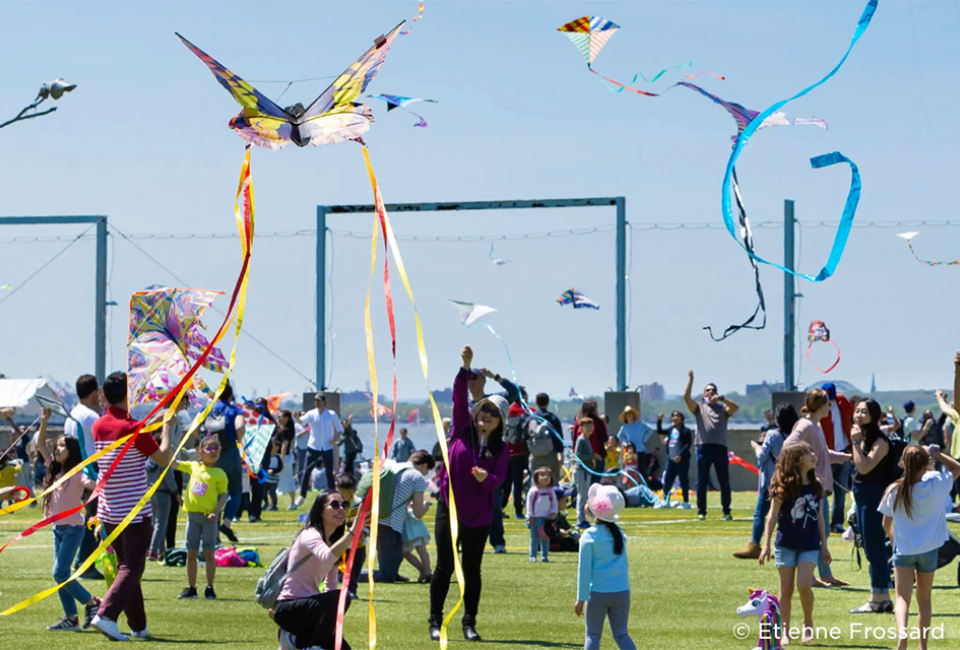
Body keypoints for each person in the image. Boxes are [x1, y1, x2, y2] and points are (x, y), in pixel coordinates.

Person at [429, 346, 509, 642]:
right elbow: (458, 396)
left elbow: (499, 480)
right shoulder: (462, 429)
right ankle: (435, 620)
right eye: (484, 409)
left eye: (494, 413)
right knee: (444, 566)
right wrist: (466, 366)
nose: (487, 414)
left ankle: (469, 622)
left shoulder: (501, 448)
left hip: (479, 516)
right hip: (448, 508)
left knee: (471, 570)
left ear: (501, 421)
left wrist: (487, 478)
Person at [89, 372, 173, 642]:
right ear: (129, 394)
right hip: (134, 512)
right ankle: (106, 615)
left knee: (127, 566)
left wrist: (159, 419)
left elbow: (129, 430)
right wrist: (168, 429)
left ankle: (138, 626)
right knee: (133, 567)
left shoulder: (99, 425)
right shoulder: (133, 428)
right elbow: (162, 458)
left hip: (109, 511)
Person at [879, 445, 960, 650]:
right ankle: (922, 645)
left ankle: (902, 638)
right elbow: (957, 467)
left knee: (901, 598)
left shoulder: (894, 489)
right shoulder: (936, 484)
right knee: (924, 598)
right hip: (929, 550)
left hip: (904, 550)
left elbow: (886, 523)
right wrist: (937, 453)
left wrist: (893, 540)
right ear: (925, 466)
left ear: (903, 465)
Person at [759, 442, 831, 646]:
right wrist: (765, 545)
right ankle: (784, 631)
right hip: (785, 545)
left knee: (804, 585)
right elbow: (771, 516)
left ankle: (807, 623)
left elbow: (820, 519)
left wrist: (824, 545)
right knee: (786, 589)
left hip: (809, 545)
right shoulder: (784, 484)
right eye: (808, 453)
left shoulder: (817, 485)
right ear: (797, 460)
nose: (813, 455)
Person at [36, 408, 101, 632]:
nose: (57, 448)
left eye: (63, 446)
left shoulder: (77, 471)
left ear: (72, 450)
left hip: (74, 529)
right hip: (58, 529)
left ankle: (92, 603)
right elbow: (41, 445)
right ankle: (71, 619)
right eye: (58, 446)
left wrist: (99, 483)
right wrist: (44, 420)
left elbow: (90, 484)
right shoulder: (54, 470)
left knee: (59, 573)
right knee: (61, 574)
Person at [274, 491, 360, 650]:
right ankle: (314, 646)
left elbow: (331, 585)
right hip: (289, 607)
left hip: (310, 611)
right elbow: (327, 557)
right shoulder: (310, 534)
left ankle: (294, 640)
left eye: (344, 505)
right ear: (320, 510)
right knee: (342, 596)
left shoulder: (332, 541)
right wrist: (353, 531)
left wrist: (330, 623)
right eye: (334, 504)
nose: (341, 509)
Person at [784, 389, 851, 588]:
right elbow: (788, 448)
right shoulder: (806, 425)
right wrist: (802, 472)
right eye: (828, 404)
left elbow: (823, 454)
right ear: (821, 405)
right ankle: (811, 577)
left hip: (818, 488)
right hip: (809, 488)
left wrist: (848, 458)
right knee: (814, 533)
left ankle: (825, 575)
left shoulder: (816, 426)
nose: (830, 408)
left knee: (821, 533)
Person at [575, 484, 636, 650]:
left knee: (592, 636)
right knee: (622, 635)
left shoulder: (588, 536)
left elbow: (584, 570)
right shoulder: (620, 534)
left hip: (598, 593)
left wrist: (581, 598)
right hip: (622, 591)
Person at [849, 398, 894, 613]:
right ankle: (882, 598)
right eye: (856, 411)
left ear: (875, 416)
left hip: (873, 496)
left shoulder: (880, 441)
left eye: (863, 411)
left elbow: (865, 467)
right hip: (862, 496)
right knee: (869, 546)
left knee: (874, 547)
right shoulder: (865, 438)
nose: (858, 415)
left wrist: (855, 443)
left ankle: (878, 598)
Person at [734, 403, 795, 560]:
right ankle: (783, 546)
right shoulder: (796, 435)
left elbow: (762, 456)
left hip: (770, 480)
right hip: (790, 480)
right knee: (784, 514)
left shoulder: (772, 434)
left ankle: (755, 545)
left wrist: (756, 447)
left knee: (761, 513)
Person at [364, 449, 434, 583]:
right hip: (391, 524)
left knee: (393, 561)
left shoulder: (393, 467)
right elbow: (418, 513)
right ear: (424, 466)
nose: (425, 474)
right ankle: (346, 574)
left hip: (375, 519)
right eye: (426, 471)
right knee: (386, 576)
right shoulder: (416, 476)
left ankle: (394, 573)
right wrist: (425, 508)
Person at [176, 435, 229, 600]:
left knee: (208, 553)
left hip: (210, 519)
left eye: (216, 449)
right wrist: (170, 442)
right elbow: (173, 463)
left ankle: (209, 587)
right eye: (209, 448)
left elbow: (223, 495)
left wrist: (217, 511)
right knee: (191, 553)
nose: (213, 452)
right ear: (200, 451)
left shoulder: (219, 474)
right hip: (193, 517)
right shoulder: (194, 467)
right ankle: (192, 588)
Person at [683, 370, 739, 521]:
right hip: (703, 447)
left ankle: (726, 512)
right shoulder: (699, 408)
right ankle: (701, 512)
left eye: (713, 390)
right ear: (703, 394)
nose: (710, 392)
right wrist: (691, 380)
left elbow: (735, 407)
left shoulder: (722, 409)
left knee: (723, 481)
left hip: (720, 448)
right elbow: (686, 398)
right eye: (708, 390)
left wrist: (721, 398)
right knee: (701, 481)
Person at [64, 374, 104, 580]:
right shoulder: (90, 416)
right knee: (95, 517)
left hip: (76, 470)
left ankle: (80, 561)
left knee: (85, 518)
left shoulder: (71, 414)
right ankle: (85, 564)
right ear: (93, 392)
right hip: (91, 470)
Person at [207, 383, 244, 542]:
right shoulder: (236, 410)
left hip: (210, 453)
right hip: (230, 452)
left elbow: (194, 427)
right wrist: (239, 441)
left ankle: (213, 532)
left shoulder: (208, 409)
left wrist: (201, 443)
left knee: (214, 493)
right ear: (230, 395)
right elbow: (240, 427)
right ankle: (227, 523)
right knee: (235, 491)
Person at [818, 382, 854, 533]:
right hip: (827, 454)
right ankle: (822, 522)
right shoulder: (818, 408)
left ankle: (837, 523)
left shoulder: (842, 401)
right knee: (823, 490)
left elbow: (852, 410)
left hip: (843, 450)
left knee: (841, 490)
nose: (830, 401)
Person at [295, 393, 343, 504]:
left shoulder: (331, 414)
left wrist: (335, 439)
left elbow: (339, 429)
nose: (316, 402)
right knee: (307, 471)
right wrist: (296, 418)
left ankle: (332, 495)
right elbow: (302, 421)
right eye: (315, 400)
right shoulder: (311, 413)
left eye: (318, 400)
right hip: (313, 446)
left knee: (329, 472)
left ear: (324, 402)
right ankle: (302, 495)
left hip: (327, 447)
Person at [522, 393, 564, 487]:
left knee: (535, 483)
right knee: (553, 482)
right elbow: (559, 437)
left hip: (535, 456)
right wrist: (561, 453)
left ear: (536, 403)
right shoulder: (552, 418)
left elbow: (524, 437)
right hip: (550, 455)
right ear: (548, 403)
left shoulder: (530, 418)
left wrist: (528, 454)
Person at [655, 411, 693, 509]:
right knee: (668, 480)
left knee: (683, 480)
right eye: (673, 416)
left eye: (677, 416)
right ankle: (666, 501)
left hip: (682, 460)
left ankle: (686, 502)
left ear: (682, 418)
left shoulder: (686, 431)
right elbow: (660, 431)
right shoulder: (671, 429)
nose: (675, 417)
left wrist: (680, 455)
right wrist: (659, 420)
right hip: (671, 460)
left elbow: (688, 444)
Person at [336, 473, 365, 599]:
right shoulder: (333, 503)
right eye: (343, 493)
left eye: (349, 493)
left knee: (356, 568)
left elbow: (368, 521)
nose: (346, 497)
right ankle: (344, 591)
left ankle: (352, 590)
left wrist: (365, 532)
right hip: (340, 542)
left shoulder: (360, 503)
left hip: (359, 544)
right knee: (342, 568)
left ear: (354, 490)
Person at [504, 397, 529, 519]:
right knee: (532, 481)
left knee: (513, 483)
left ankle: (517, 511)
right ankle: (530, 508)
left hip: (510, 452)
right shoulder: (528, 411)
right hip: (525, 451)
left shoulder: (508, 411)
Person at [571, 400, 608, 485]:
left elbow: (574, 440)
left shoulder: (578, 422)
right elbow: (604, 438)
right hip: (597, 456)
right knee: (594, 484)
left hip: (581, 458)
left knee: (581, 485)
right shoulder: (598, 422)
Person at [526, 467, 558, 562]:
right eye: (542, 475)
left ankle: (544, 556)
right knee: (534, 539)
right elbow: (528, 504)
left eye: (547, 475)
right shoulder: (533, 491)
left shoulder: (551, 491)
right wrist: (530, 516)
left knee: (545, 538)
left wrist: (553, 513)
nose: (545, 477)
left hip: (546, 519)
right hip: (535, 519)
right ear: (536, 478)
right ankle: (533, 556)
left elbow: (554, 504)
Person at [615, 405, 654, 479]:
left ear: (633, 415)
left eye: (630, 413)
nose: (629, 415)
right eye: (627, 414)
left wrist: (644, 439)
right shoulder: (624, 426)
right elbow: (619, 436)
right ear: (625, 416)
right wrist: (626, 442)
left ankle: (644, 487)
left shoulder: (640, 423)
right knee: (630, 468)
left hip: (640, 450)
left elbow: (650, 430)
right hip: (630, 451)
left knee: (642, 469)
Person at [573, 418, 596, 527]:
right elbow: (578, 456)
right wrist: (591, 457)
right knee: (581, 496)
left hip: (586, 471)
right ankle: (580, 520)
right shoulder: (581, 439)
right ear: (581, 428)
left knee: (583, 495)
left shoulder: (587, 439)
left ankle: (582, 518)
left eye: (590, 427)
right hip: (581, 471)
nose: (589, 429)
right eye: (587, 427)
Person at [274, 410, 298, 510]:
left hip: (284, 457)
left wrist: (281, 458)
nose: (278, 418)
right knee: (288, 479)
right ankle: (292, 502)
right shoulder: (287, 429)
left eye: (280, 417)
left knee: (288, 479)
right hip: (287, 457)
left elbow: (285, 445)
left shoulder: (285, 431)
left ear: (287, 418)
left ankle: (292, 502)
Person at [262, 436, 284, 511]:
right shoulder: (266, 456)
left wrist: (273, 471)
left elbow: (280, 467)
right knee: (263, 492)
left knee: (272, 492)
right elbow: (263, 465)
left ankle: (274, 505)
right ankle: (266, 503)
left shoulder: (278, 457)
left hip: (274, 479)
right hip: (266, 478)